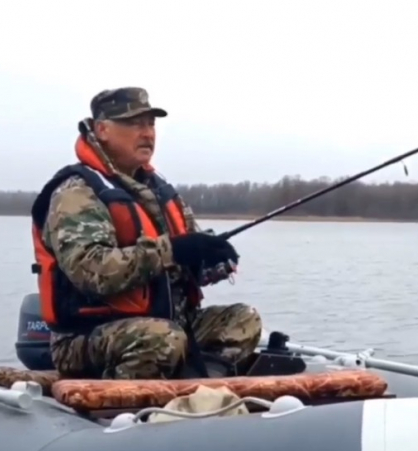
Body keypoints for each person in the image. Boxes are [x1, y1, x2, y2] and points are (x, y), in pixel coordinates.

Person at [29, 87, 263, 380]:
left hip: (169, 324)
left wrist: (209, 258)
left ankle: (202, 386)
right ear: (101, 129)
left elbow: (185, 247)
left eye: (150, 124)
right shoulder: (76, 192)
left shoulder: (158, 189)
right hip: (86, 337)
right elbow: (92, 271)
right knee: (162, 337)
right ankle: (125, 404)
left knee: (244, 319)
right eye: (133, 123)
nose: (147, 133)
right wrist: (173, 251)